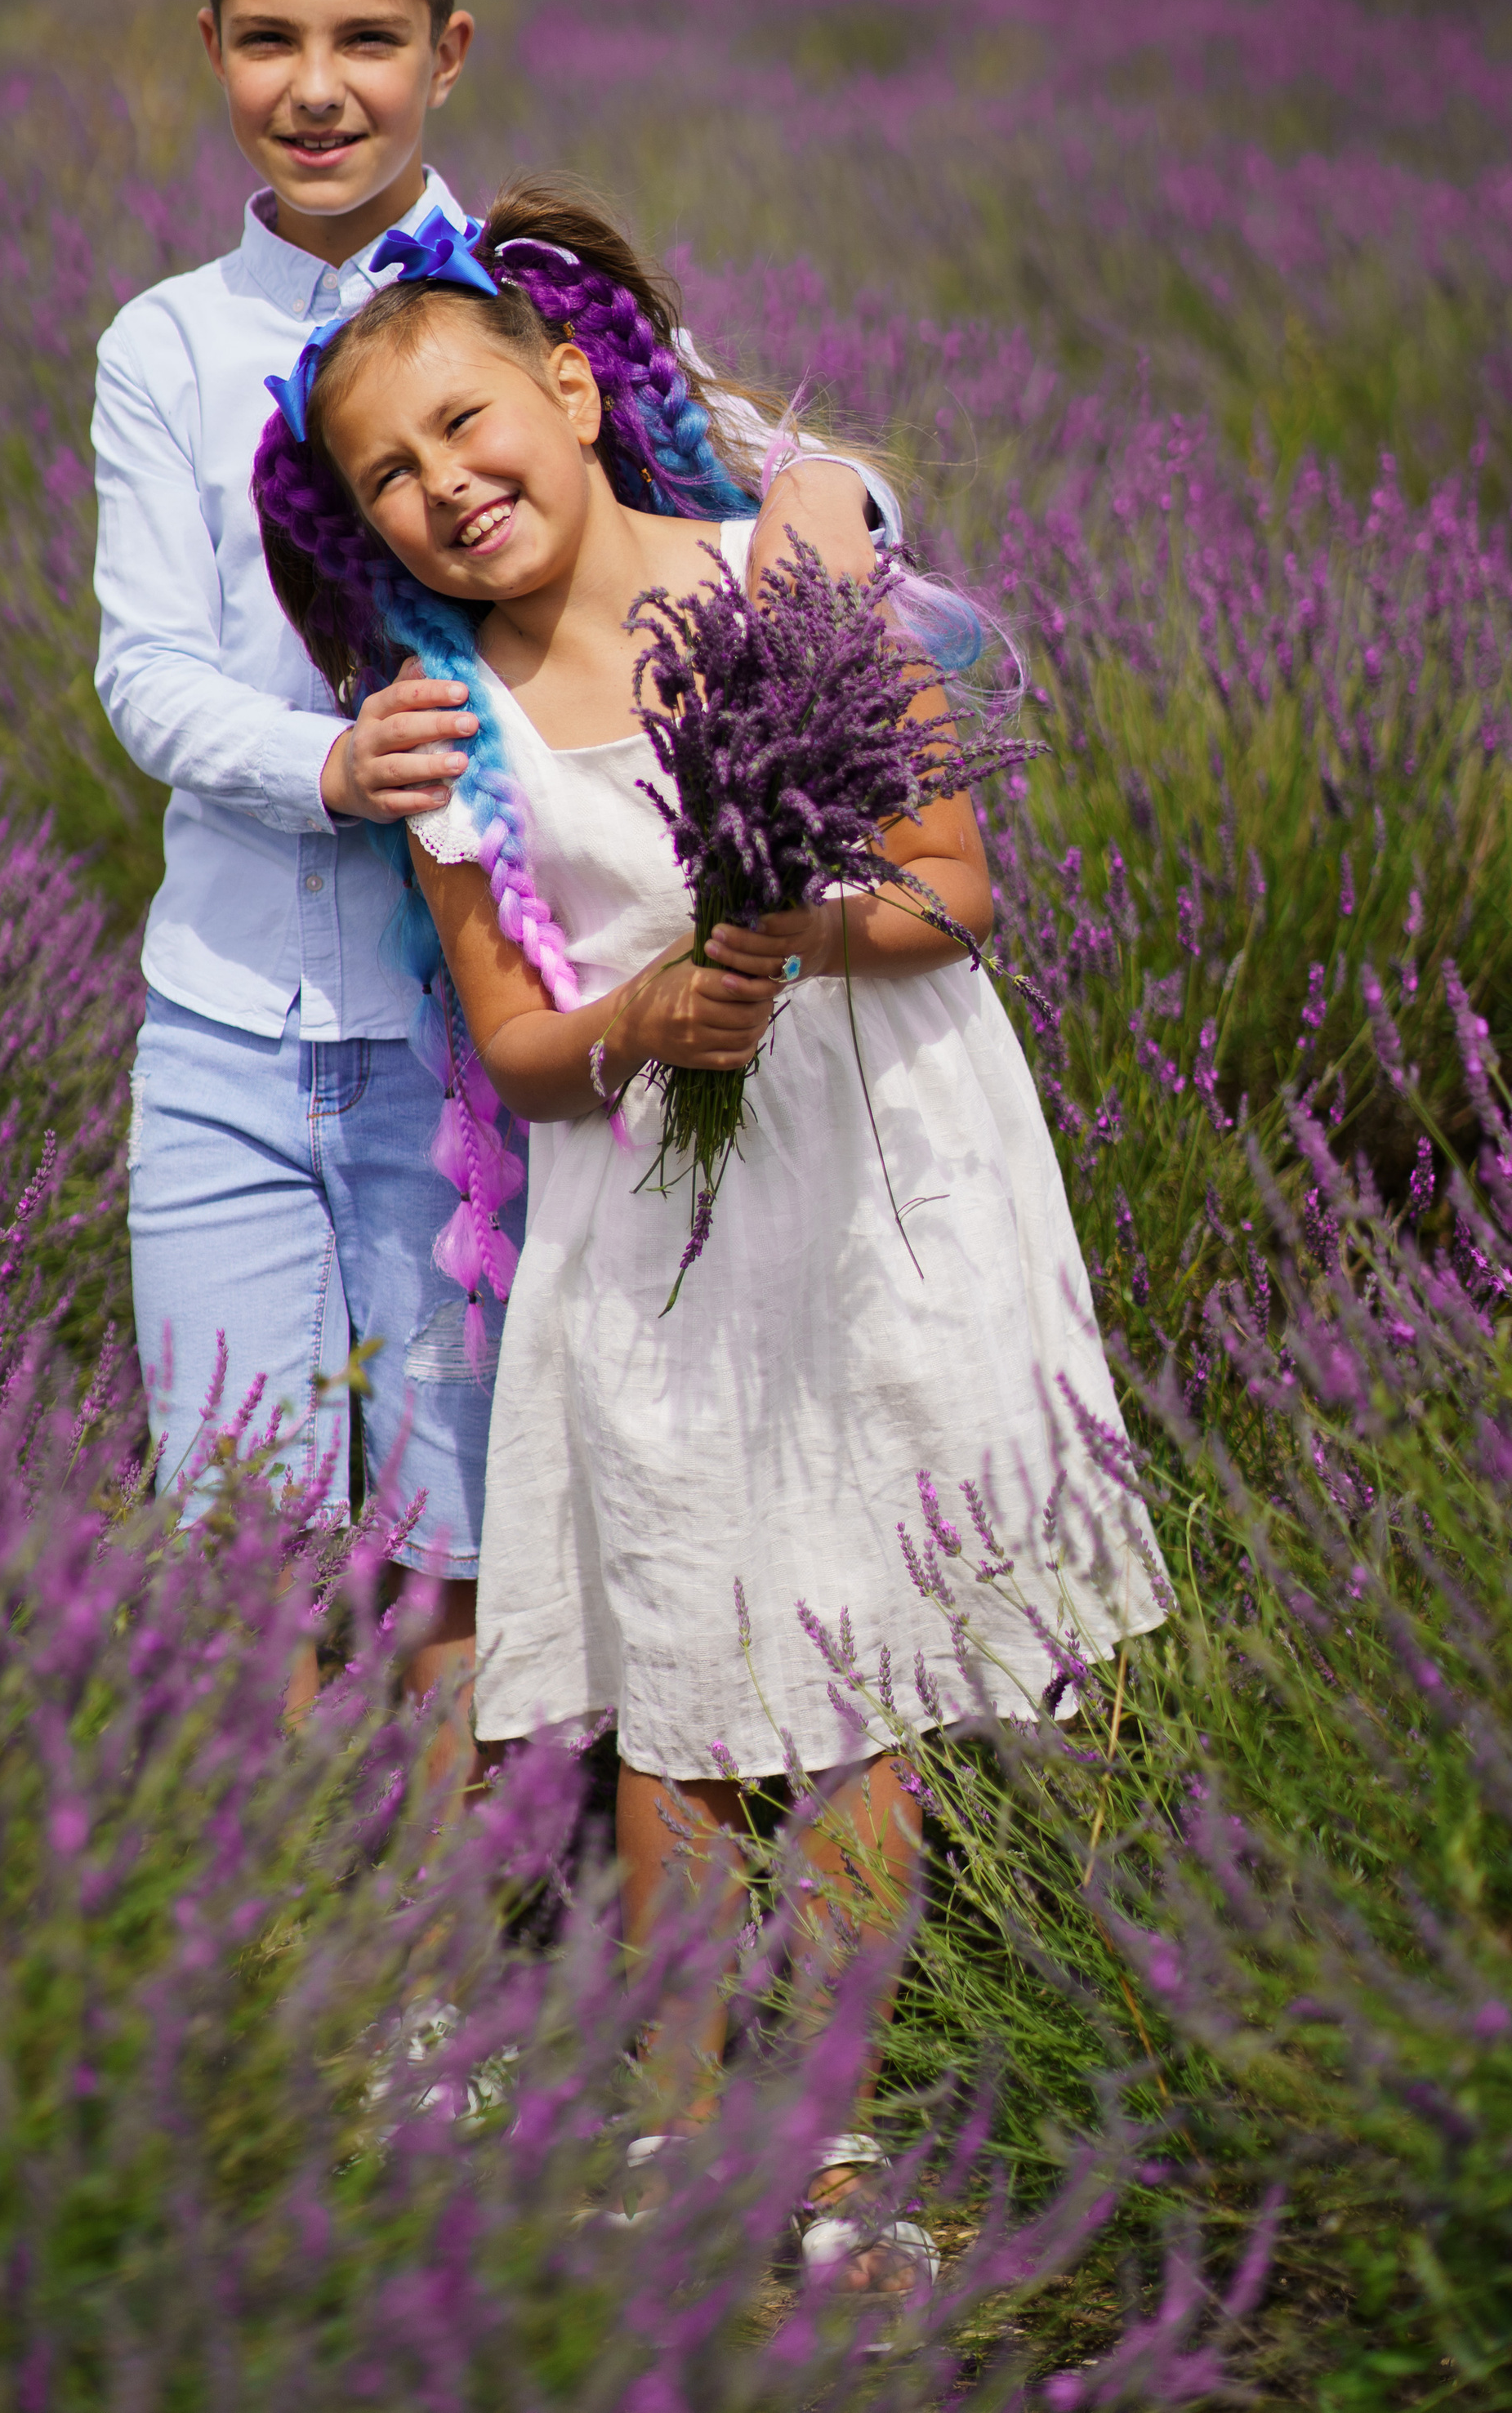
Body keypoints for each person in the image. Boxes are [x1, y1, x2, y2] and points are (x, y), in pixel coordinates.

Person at [252, 176, 1173, 2290]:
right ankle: (676, 2135)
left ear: (572, 388)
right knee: (685, 1671)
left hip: (873, 1182)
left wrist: (800, 930)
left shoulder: (786, 574)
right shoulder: (447, 726)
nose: (445, 484)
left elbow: (955, 886)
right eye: (389, 475)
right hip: (647, 1228)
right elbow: (509, 1043)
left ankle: (824, 2134)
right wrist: (646, 1015)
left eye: (472, 424)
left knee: (859, 1667)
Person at [91, 0, 515, 1716]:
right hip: (227, 1040)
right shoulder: (165, 348)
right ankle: (265, 1991)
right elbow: (146, 675)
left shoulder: (528, 311)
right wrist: (329, 765)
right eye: (269, 40)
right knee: (238, 1551)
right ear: (209, 50)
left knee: (457, 1557)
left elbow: (705, 477)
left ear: (448, 48)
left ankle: (443, 2005)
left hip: (469, 1051)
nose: (317, 88)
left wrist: (851, 499)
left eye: (365, 38)